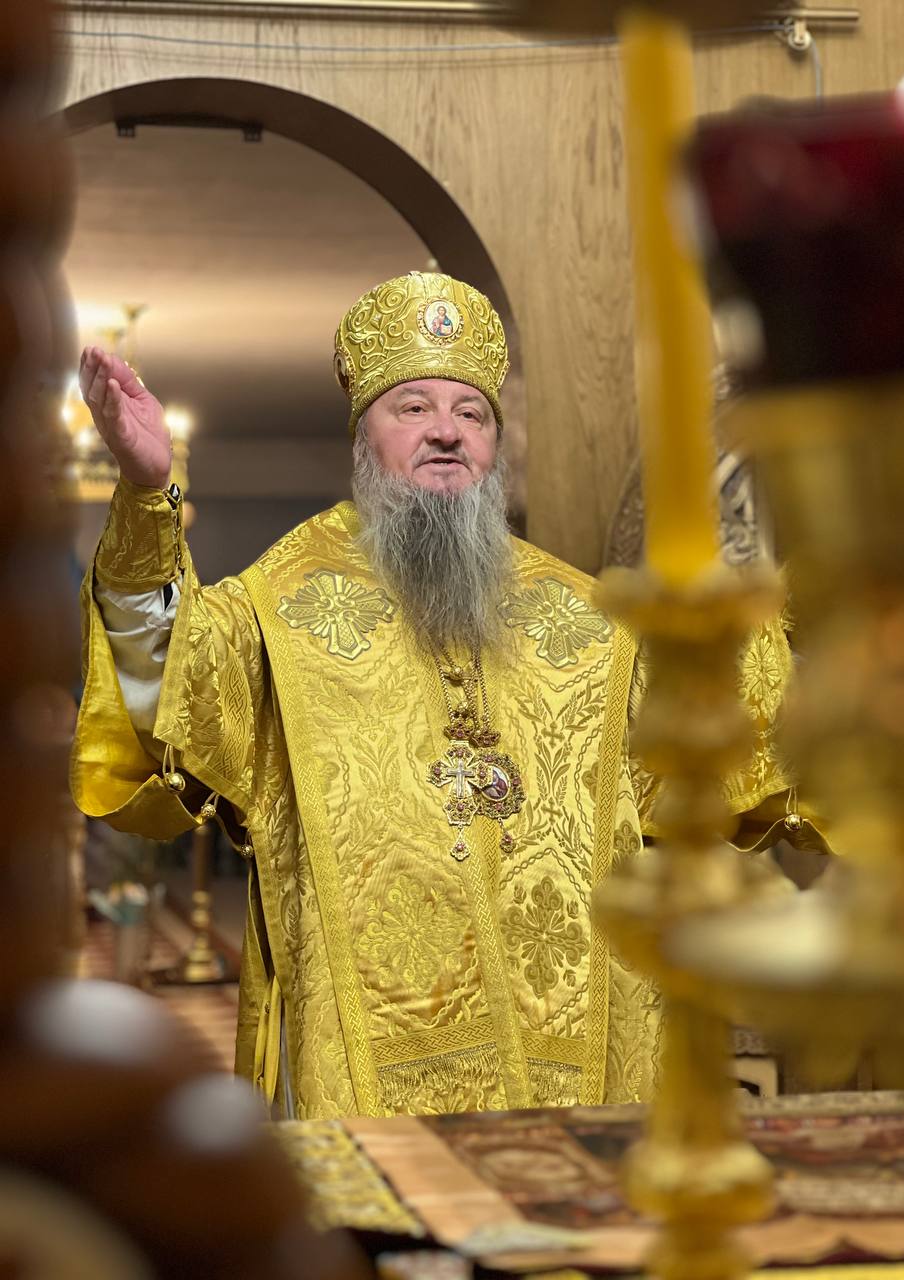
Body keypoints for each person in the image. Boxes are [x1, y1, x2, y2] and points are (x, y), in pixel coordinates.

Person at [71, 271, 799, 1120]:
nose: (447, 431)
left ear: (493, 445)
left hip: (580, 1065)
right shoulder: (281, 607)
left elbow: (725, 746)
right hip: (364, 1066)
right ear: (364, 437)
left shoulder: (592, 621)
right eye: (413, 407)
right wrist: (147, 497)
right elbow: (166, 682)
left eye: (472, 413)